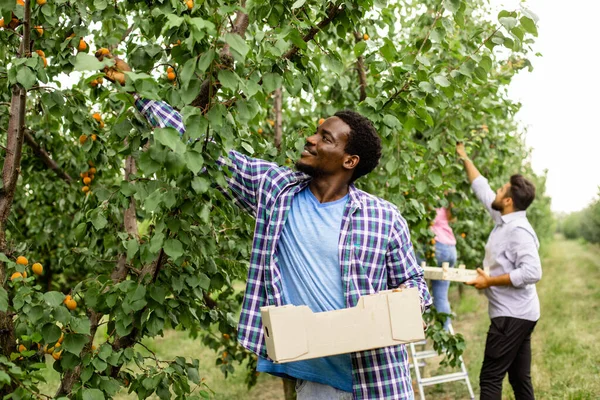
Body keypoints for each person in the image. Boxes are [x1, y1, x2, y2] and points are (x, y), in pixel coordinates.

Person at [100, 54, 432, 399]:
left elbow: (413, 282)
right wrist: (139, 90)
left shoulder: (384, 217)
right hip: (318, 384)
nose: (311, 140)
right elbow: (201, 149)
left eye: (325, 138)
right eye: (316, 132)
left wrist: (409, 300)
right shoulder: (275, 190)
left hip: (380, 379)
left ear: (350, 161)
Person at [456, 143, 542, 400]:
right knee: (518, 378)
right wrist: (464, 157)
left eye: (502, 189)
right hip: (521, 314)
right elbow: (482, 189)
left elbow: (532, 272)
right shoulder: (504, 219)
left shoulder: (518, 231)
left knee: (491, 378)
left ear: (508, 201)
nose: (497, 190)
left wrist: (489, 281)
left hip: (511, 316)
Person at [428, 205, 457, 331]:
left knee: (412, 282)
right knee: (441, 297)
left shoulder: (431, 200)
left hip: (437, 247)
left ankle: (417, 330)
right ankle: (445, 333)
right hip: (451, 249)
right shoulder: (447, 203)